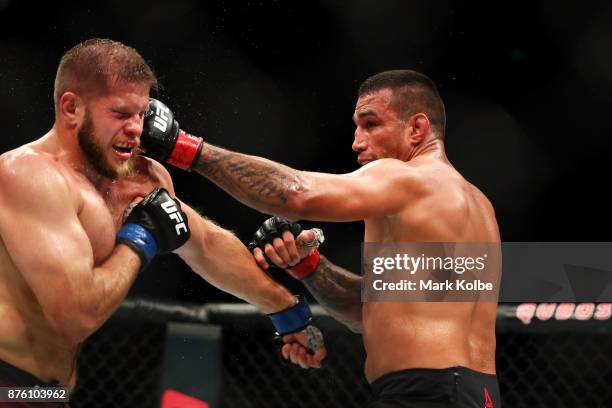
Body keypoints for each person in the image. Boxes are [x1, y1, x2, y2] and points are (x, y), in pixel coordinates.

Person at [140, 69, 502, 407]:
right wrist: (308, 266)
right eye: (356, 127)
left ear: (417, 128)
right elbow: (370, 312)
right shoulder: (478, 207)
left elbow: (296, 194)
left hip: (426, 391)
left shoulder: (411, 179)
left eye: (371, 124)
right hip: (477, 392)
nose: (357, 142)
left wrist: (181, 147)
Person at [0, 38, 325, 406]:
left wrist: (287, 311)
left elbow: (205, 244)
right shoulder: (28, 176)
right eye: (121, 114)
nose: (137, 128)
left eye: (142, 113)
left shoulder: (139, 178)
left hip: (46, 393)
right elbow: (75, 315)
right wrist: (141, 237)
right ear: (71, 108)